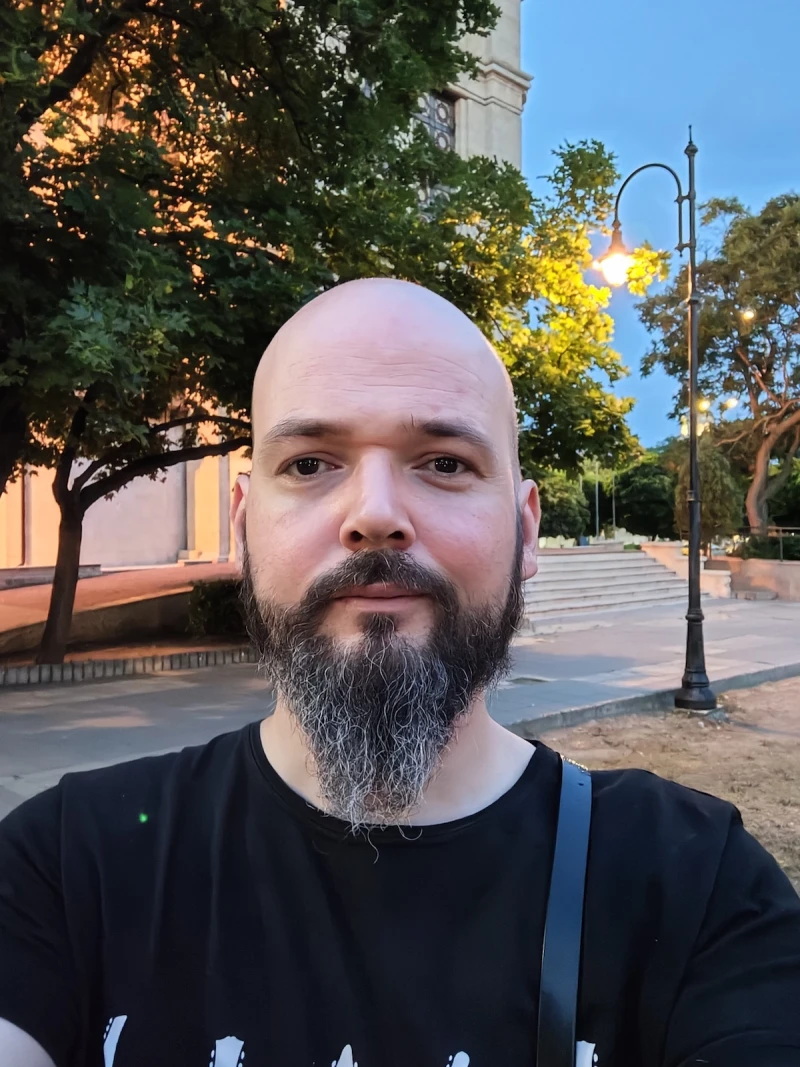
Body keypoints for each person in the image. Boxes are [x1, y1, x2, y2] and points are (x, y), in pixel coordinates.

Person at [0, 279, 799, 1067]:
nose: (375, 514)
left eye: (445, 462)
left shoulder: (699, 889)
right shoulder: (64, 867)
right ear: (244, 528)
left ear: (525, 532)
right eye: (309, 463)